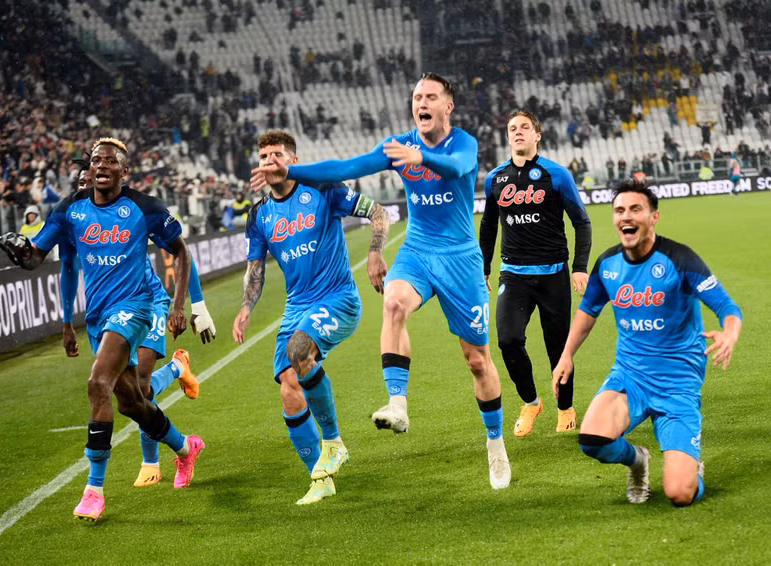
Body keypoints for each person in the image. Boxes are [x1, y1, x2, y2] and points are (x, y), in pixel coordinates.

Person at [250, 73, 511, 490]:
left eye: (430, 97)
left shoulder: (463, 143)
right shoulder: (398, 143)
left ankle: (495, 446)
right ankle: (398, 403)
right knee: (393, 301)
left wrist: (420, 159)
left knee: (477, 360)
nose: (421, 103)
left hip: (460, 258)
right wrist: (290, 169)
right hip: (419, 251)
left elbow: (458, 167)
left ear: (448, 106)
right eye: (416, 97)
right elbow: (348, 167)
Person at [0, 138, 206, 522]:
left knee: (97, 383)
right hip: (99, 317)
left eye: (111, 161)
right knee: (132, 402)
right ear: (89, 170)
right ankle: (185, 447)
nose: (102, 166)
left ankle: (94, 490)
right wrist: (23, 254)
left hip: (137, 306)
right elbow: (37, 256)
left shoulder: (144, 208)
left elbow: (181, 250)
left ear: (125, 172)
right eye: (96, 161)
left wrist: (180, 303)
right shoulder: (70, 209)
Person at [551, 180, 742, 506]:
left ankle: (692, 469)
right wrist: (566, 354)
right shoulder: (608, 264)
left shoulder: (680, 259)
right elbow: (588, 310)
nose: (627, 216)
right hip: (631, 375)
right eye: (620, 210)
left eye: (636, 209)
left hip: (677, 382)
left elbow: (728, 308)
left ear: (654, 216)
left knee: (680, 493)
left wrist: (729, 332)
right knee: (591, 440)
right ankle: (637, 460)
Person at [234, 130, 390, 504]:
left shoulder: (322, 188)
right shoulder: (259, 214)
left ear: (294, 161)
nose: (270, 161)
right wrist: (245, 307)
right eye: (265, 156)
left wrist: (375, 252)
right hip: (296, 307)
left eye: (277, 155)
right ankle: (320, 479)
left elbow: (377, 211)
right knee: (289, 386)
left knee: (299, 349)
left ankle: (333, 442)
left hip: (338, 299)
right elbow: (255, 269)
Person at [61, 160, 217, 488]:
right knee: (136, 394)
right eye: (79, 182)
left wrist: (195, 305)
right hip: (107, 314)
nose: (84, 186)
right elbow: (68, 269)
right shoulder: (77, 222)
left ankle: (150, 461)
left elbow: (180, 252)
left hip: (147, 303)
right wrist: (67, 321)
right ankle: (177, 370)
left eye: (88, 180)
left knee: (141, 385)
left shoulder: (129, 213)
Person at [479, 110, 591, 437]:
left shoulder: (556, 175)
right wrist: (484, 267)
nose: (517, 132)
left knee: (559, 350)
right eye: (512, 128)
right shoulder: (495, 179)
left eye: (524, 127)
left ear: (537, 135)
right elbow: (488, 225)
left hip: (554, 275)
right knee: (508, 340)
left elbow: (581, 222)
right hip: (513, 276)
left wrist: (579, 267)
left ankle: (566, 408)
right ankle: (531, 401)